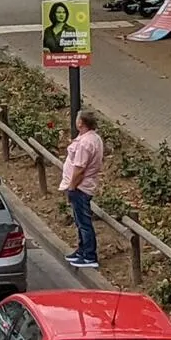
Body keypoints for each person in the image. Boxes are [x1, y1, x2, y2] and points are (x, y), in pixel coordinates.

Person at [61, 109, 106, 268]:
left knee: (84, 222)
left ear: (81, 123)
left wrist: (72, 187)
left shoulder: (86, 143)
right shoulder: (93, 138)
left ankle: (89, 255)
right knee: (80, 221)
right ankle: (81, 250)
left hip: (81, 188)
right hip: (82, 186)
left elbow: (80, 168)